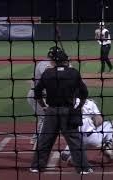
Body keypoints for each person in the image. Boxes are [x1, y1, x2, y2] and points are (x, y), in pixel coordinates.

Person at [30, 46, 93, 174]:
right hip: (68, 112)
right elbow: (84, 92)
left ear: (54, 61)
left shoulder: (47, 73)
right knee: (75, 141)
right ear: (65, 61)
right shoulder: (73, 72)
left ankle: (36, 166)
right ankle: (83, 169)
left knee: (45, 140)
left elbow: (37, 93)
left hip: (52, 112)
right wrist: (78, 107)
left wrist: (44, 107)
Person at [60, 98, 113, 164]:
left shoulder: (68, 103)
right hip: (93, 138)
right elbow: (99, 120)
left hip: (76, 139)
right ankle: (107, 146)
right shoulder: (90, 103)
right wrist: (92, 122)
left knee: (71, 135)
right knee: (110, 124)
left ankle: (69, 154)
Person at [27, 47, 54, 145]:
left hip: (42, 96)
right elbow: (48, 75)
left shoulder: (50, 64)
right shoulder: (44, 64)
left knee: (45, 117)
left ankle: (35, 138)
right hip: (36, 96)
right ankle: (37, 140)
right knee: (44, 117)